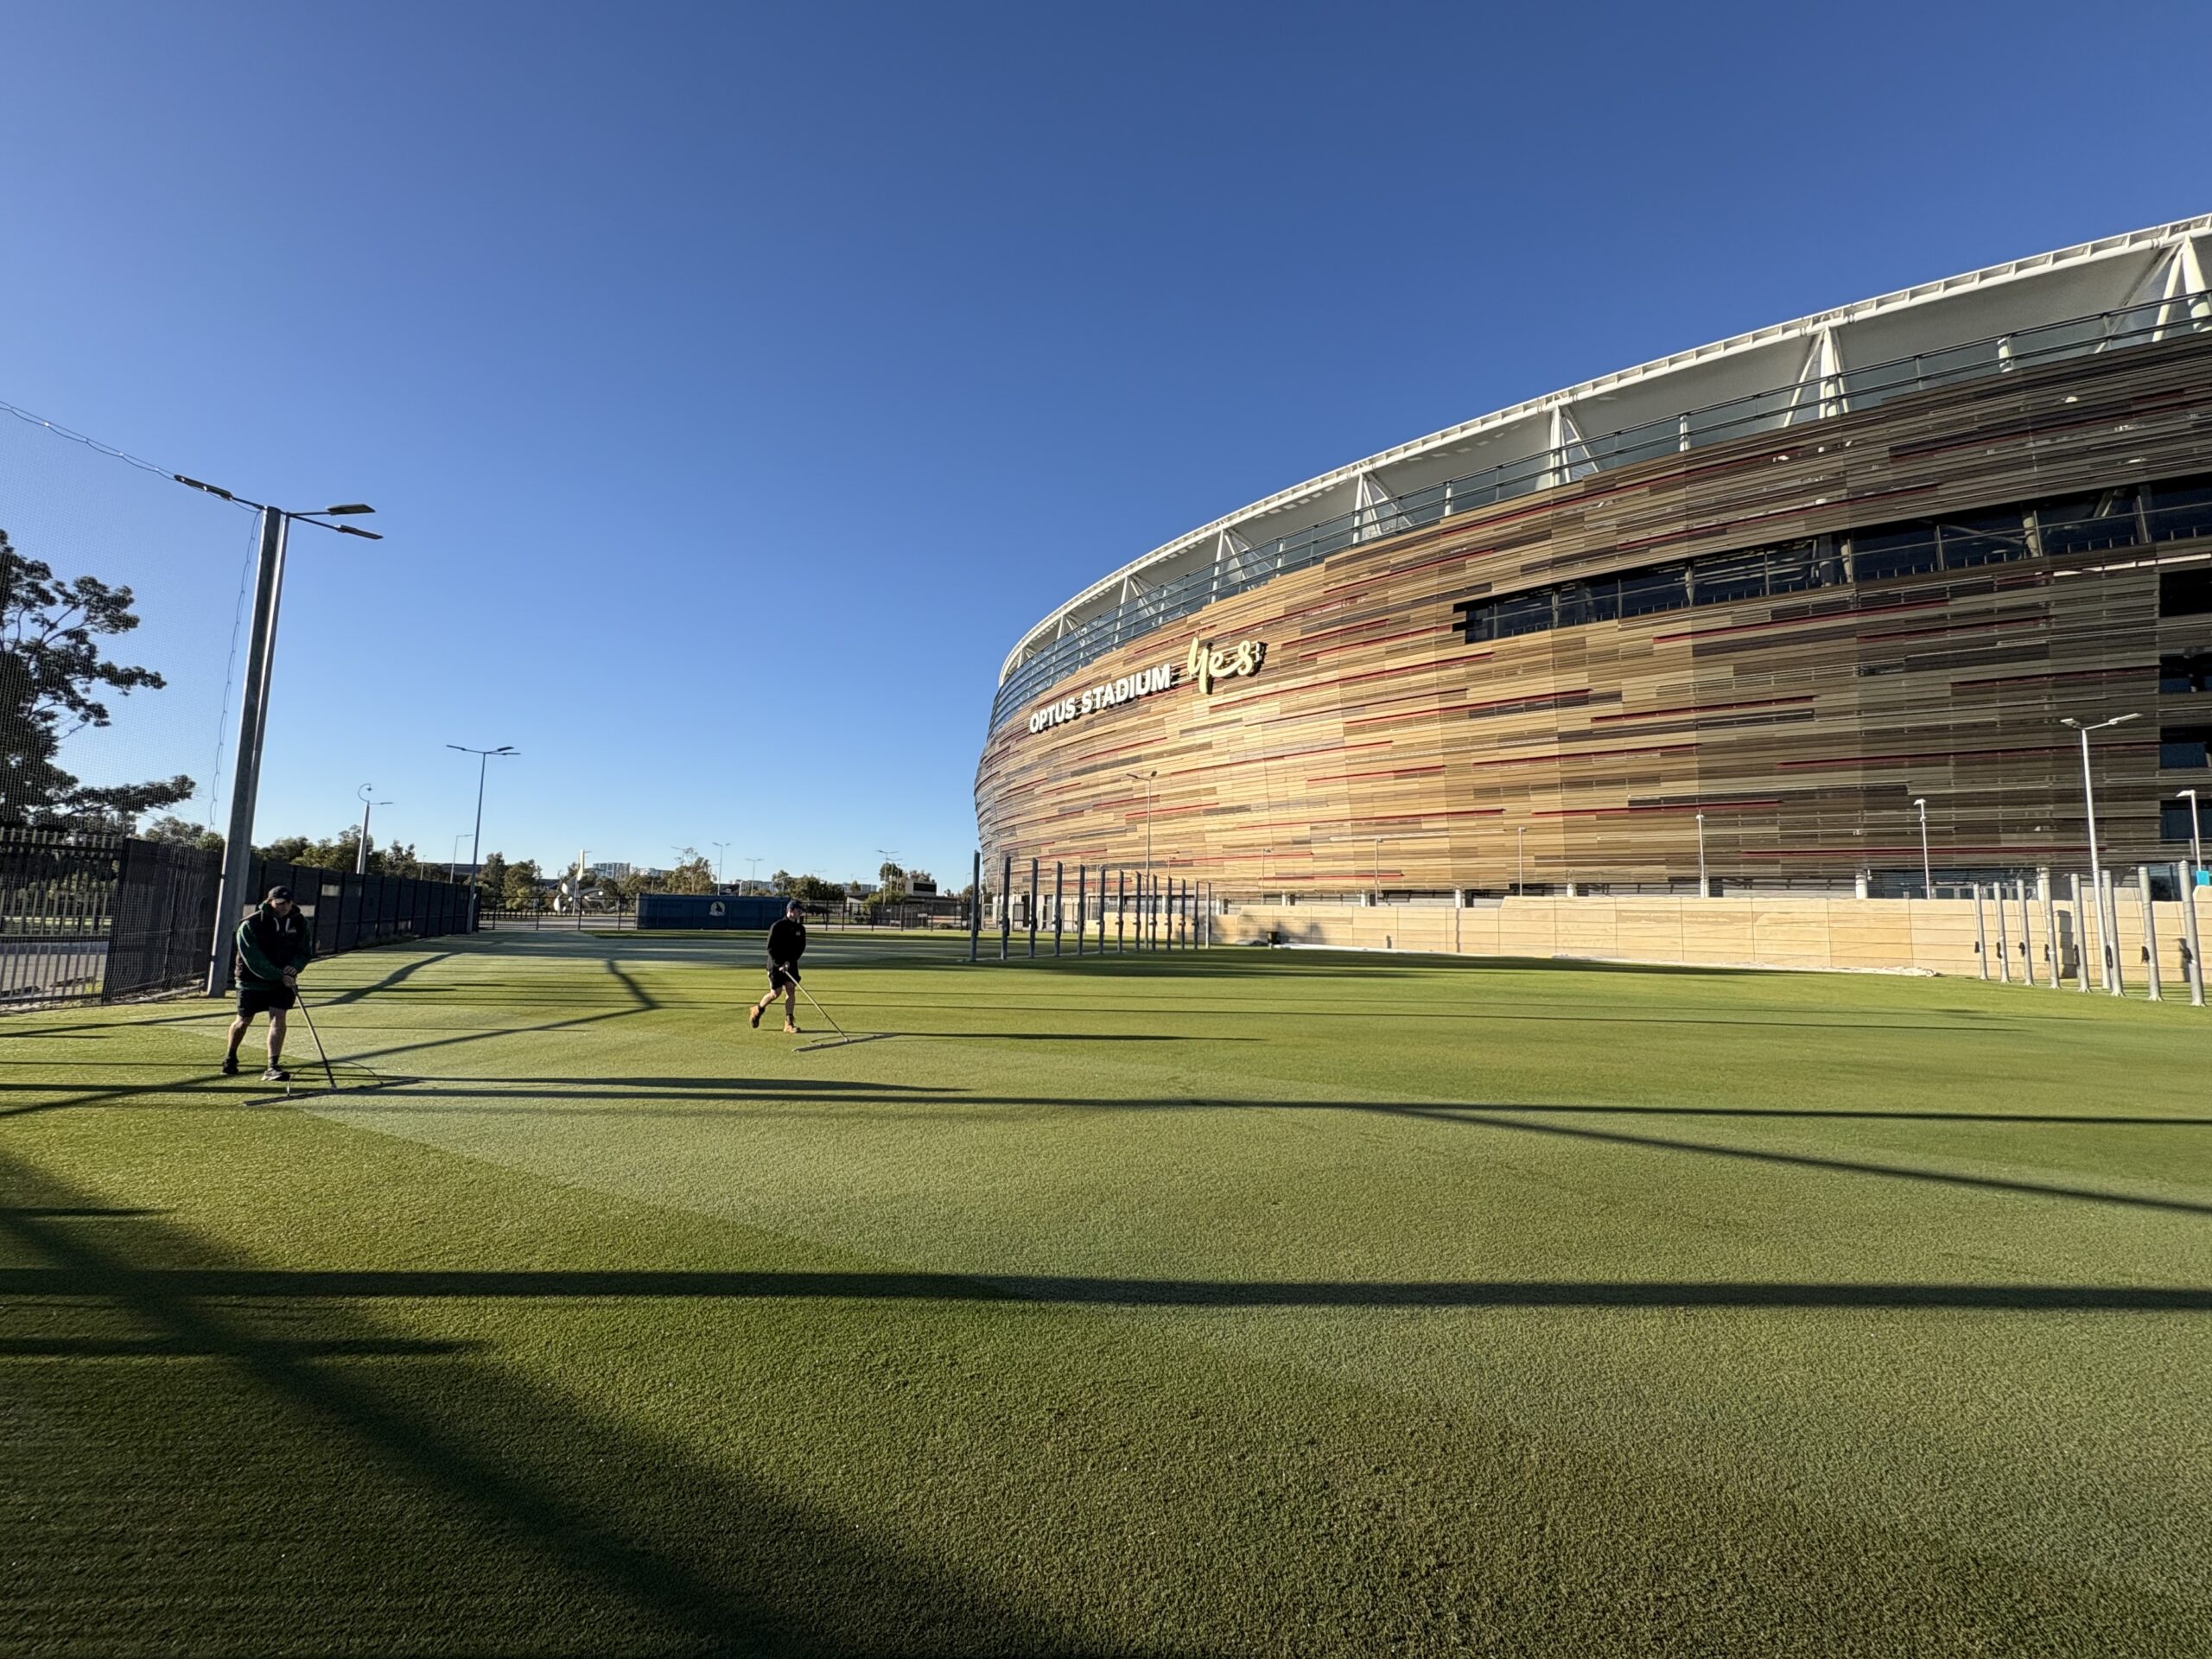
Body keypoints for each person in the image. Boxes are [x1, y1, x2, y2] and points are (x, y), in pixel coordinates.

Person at [224, 884, 311, 1080]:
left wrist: (295, 967)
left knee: (278, 1017)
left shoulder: (299, 922)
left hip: (283, 981)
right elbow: (253, 960)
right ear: (270, 902)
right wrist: (280, 974)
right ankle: (230, 1056)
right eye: (280, 903)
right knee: (243, 1021)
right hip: (251, 981)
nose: (285, 906)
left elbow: (304, 951)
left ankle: (272, 1066)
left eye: (288, 902)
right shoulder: (250, 924)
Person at [748, 900, 808, 1033]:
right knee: (775, 993)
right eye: (798, 911)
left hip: (791, 964)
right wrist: (780, 964)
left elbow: (800, 948)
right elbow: (770, 948)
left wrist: (789, 962)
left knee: (791, 990)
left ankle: (789, 1023)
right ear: (791, 910)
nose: (800, 913)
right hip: (775, 965)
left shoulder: (800, 929)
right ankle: (757, 1009)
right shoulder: (777, 926)